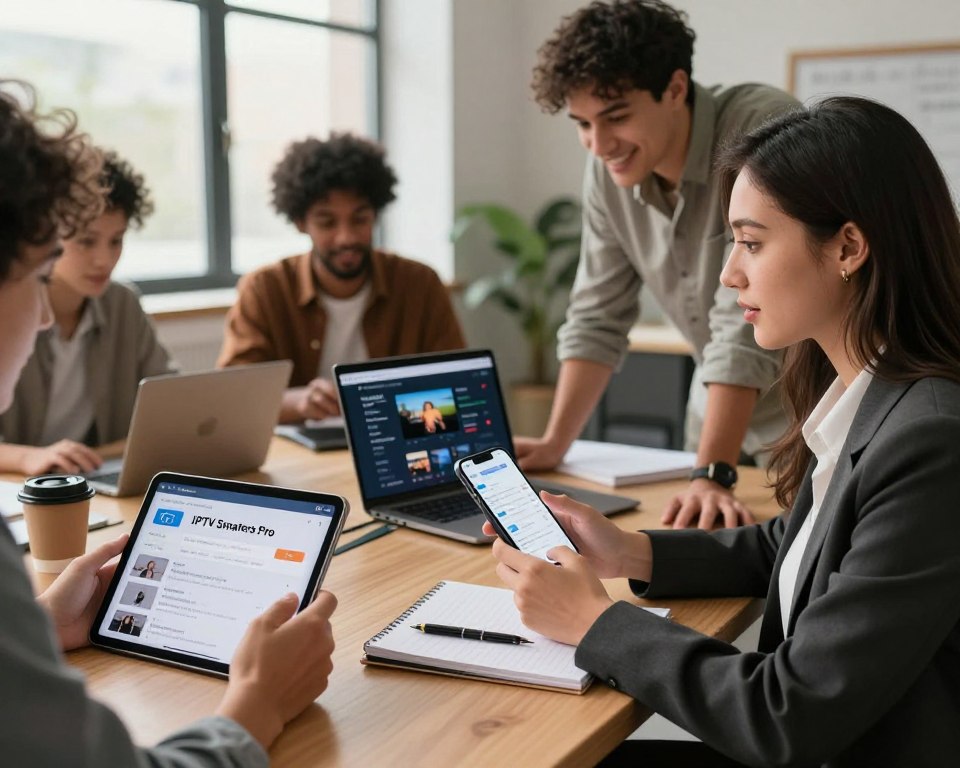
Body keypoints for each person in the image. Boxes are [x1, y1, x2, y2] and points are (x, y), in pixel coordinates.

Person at [488, 97, 960, 766]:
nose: (728, 273)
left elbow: (786, 714)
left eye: (752, 242)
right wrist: (628, 552)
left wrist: (593, 621)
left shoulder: (931, 441)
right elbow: (805, 544)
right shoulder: (874, 399)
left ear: (848, 247)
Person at [0, 79, 337, 767]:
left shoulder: (120, 307)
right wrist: (257, 706)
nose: (40, 315)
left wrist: (28, 627)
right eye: (39, 273)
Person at [516, 0, 799, 529]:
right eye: (582, 124)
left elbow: (739, 319)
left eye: (616, 117)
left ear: (673, 89)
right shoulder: (609, 170)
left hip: (814, 409)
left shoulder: (761, 128)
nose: (599, 145)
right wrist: (556, 442)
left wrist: (712, 470)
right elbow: (596, 314)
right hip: (717, 418)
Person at [217, 133, 466, 424]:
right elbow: (235, 397)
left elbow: (457, 385)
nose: (346, 237)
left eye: (359, 219)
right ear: (301, 223)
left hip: (396, 442)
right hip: (301, 454)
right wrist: (299, 402)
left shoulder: (420, 284)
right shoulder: (265, 289)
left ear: (375, 215)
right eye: (327, 222)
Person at [0, 148, 174, 476]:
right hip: (23, 487)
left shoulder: (122, 303)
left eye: (116, 240)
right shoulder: (12, 307)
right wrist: (26, 457)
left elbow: (169, 399)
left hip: (94, 478)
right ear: (49, 234)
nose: (104, 260)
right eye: (86, 241)